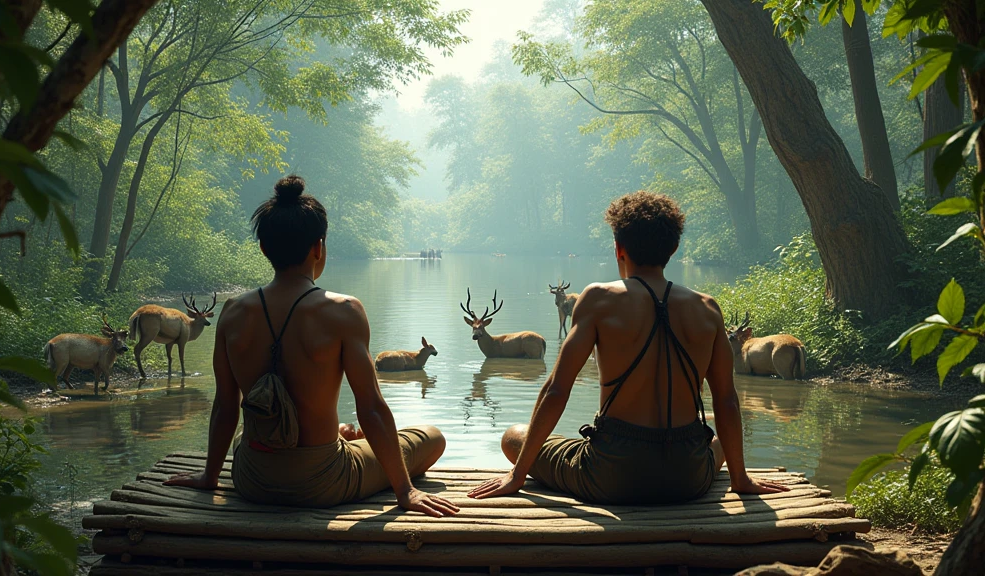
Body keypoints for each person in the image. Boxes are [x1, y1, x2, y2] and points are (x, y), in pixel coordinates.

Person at [468, 191, 788, 504]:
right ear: (674, 248)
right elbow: (727, 400)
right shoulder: (707, 308)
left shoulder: (598, 299)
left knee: (513, 435)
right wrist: (740, 480)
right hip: (689, 475)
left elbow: (556, 391)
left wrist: (517, 475)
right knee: (714, 439)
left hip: (611, 474)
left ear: (618, 247)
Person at [166, 175, 458, 518]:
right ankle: (341, 437)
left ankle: (337, 433)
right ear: (319, 247)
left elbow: (226, 406)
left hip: (251, 478)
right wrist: (406, 490)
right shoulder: (343, 311)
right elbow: (373, 408)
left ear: (263, 248)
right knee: (431, 437)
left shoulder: (232, 313)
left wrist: (209, 476)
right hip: (322, 481)